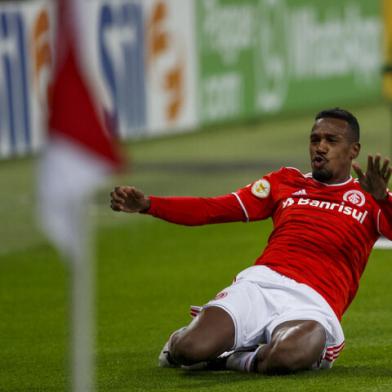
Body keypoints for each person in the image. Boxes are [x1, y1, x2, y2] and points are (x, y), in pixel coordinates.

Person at [110, 108, 392, 374]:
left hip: (314, 302)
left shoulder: (370, 198)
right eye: (315, 139)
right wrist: (149, 204)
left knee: (288, 355)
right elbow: (213, 208)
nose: (320, 147)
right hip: (260, 285)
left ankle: (229, 360)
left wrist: (382, 198)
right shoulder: (285, 182)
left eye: (331, 140)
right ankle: (186, 342)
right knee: (189, 349)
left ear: (354, 150)